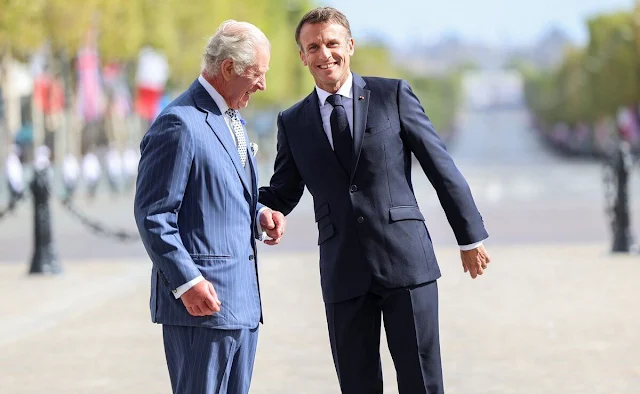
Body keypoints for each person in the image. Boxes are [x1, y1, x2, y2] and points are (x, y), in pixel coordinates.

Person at [258, 7, 491, 394]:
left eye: (332, 43)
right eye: (313, 46)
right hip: (343, 270)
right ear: (302, 56)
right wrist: (259, 208)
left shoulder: (392, 94)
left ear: (349, 45)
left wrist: (469, 237)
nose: (324, 54)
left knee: (422, 383)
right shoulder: (293, 121)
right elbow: (283, 191)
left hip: (406, 262)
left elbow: (439, 166)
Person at [134, 20, 285, 394]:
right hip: (201, 309)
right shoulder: (178, 123)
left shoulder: (232, 119)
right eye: (258, 73)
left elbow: (219, 193)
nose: (263, 84)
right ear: (229, 68)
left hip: (241, 306)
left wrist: (258, 215)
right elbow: (154, 215)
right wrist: (187, 282)